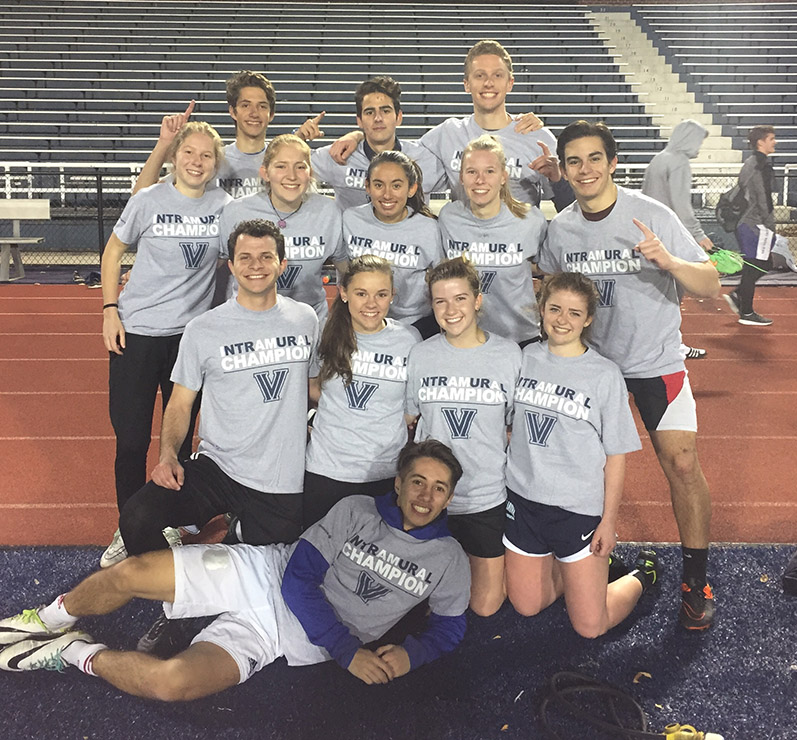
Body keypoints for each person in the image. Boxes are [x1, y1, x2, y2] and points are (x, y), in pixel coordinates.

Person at [0, 441, 471, 700]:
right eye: (418, 482)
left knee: (171, 684)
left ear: (450, 497)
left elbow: (450, 629)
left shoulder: (450, 559)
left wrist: (414, 655)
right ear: (399, 482)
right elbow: (298, 580)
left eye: (439, 489)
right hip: (263, 573)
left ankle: (74, 652)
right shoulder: (357, 510)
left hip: (285, 638)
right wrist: (348, 652)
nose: (426, 496)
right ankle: (47, 619)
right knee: (132, 571)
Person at [539, 120, 721, 631]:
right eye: (573, 161)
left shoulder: (651, 214)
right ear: (565, 169)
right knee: (583, 475)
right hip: (592, 371)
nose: (585, 169)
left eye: (595, 158)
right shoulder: (561, 229)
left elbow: (710, 280)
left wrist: (668, 261)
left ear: (613, 162)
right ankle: (591, 560)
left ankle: (695, 579)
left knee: (682, 464)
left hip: (655, 363)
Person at [117, 218, 318, 559]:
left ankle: (233, 529)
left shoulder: (305, 319)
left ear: (282, 264)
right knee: (137, 517)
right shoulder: (203, 328)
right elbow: (180, 403)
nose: (256, 266)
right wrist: (167, 456)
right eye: (245, 257)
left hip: (280, 478)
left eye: (266, 257)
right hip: (218, 467)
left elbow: (314, 388)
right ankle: (174, 589)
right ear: (231, 265)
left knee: (262, 567)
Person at [99, 121, 232, 567]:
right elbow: (113, 252)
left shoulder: (224, 205)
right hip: (135, 335)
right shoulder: (149, 200)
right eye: (189, 153)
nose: (197, 162)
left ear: (217, 163)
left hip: (189, 342)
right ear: (176, 156)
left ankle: (163, 518)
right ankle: (127, 527)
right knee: (132, 440)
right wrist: (110, 309)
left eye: (206, 155)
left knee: (177, 441)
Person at [504, 271, 659, 637]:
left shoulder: (604, 375)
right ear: (541, 310)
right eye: (555, 309)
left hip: (577, 511)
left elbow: (617, 455)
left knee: (590, 626)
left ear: (588, 319)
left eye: (574, 313)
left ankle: (641, 576)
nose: (562, 320)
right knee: (526, 606)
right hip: (523, 502)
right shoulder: (523, 358)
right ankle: (576, 575)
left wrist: (608, 521)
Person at [405, 257, 521, 616]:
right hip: (431, 501)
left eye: (459, 299)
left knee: (485, 607)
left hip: (484, 496)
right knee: (420, 604)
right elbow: (409, 419)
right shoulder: (421, 354)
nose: (450, 309)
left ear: (477, 300)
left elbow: (517, 426)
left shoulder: (508, 354)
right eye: (440, 301)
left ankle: (569, 567)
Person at [328, 42, 555, 209]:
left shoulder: (537, 136)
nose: (488, 83)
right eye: (479, 75)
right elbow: (395, 151)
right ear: (467, 84)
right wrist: (357, 135)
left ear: (510, 83)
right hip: (462, 246)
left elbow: (570, 201)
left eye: (497, 75)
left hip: (517, 252)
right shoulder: (448, 134)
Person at [304, 255, 421, 528]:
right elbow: (311, 385)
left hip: (384, 473)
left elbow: (410, 408)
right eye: (361, 293)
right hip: (327, 470)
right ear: (343, 293)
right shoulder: (324, 333)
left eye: (381, 294)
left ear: (393, 295)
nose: (371, 304)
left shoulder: (409, 339)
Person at [218, 134, 347, 323]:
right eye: (281, 166)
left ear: (310, 172)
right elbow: (216, 266)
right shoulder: (236, 212)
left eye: (300, 167)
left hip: (309, 327)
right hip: (248, 324)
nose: (292, 176)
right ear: (265, 173)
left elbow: (347, 271)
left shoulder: (328, 212)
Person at [438, 135, 547, 346]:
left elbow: (550, 269)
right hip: (465, 337)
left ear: (503, 176)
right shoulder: (449, 218)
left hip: (520, 338)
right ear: (461, 177)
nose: (480, 180)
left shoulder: (530, 220)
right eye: (472, 172)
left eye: (489, 171)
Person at [343, 150, 444, 338]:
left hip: (416, 325)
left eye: (396, 185)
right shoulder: (350, 219)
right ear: (367, 186)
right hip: (362, 320)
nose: (387, 195)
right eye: (378, 185)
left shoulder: (429, 228)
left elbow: (442, 280)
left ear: (411, 188)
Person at [307, 76, 447, 210]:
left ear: (398, 117)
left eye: (385, 111)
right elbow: (290, 164)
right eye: (369, 112)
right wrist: (299, 135)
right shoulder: (339, 155)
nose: (378, 118)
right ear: (359, 121)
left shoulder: (426, 159)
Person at [133, 71, 277, 198]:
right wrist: (164, 143)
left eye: (262, 106)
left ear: (271, 114)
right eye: (245, 105)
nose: (254, 113)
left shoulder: (282, 163)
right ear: (233, 111)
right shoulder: (210, 160)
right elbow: (139, 198)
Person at [642, 119, 715, 359]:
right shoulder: (678, 162)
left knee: (653, 297)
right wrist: (698, 235)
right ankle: (671, 347)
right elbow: (682, 206)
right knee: (672, 297)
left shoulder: (659, 158)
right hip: (670, 239)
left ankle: (655, 344)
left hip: (650, 236)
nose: (699, 147)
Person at [723, 125, 777, 326]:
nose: (775, 142)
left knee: (758, 264)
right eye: (771, 138)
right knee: (758, 264)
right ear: (760, 142)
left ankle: (740, 299)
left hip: (749, 222)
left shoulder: (753, 163)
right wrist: (770, 224)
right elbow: (763, 199)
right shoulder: (758, 165)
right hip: (754, 223)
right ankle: (745, 311)